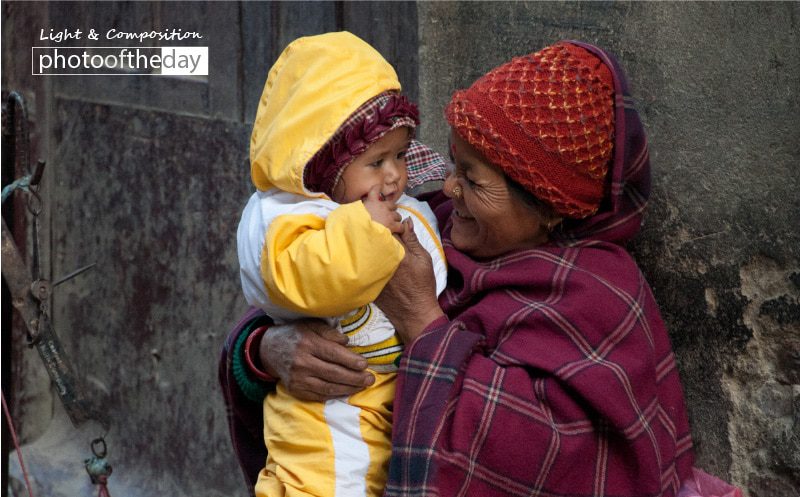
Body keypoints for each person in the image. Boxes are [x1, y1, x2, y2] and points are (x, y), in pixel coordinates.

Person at [221, 40, 696, 497]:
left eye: (472, 180)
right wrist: (265, 351)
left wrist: (422, 322)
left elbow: (556, 458)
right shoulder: (428, 224)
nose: (447, 188)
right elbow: (294, 291)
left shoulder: (597, 295)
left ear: (550, 208)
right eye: (453, 164)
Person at [235, 32, 447, 497]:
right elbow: (307, 276)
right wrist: (368, 234)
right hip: (324, 419)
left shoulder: (390, 204)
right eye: (375, 161)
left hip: (375, 405)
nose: (393, 175)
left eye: (400, 156)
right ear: (324, 164)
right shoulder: (284, 219)